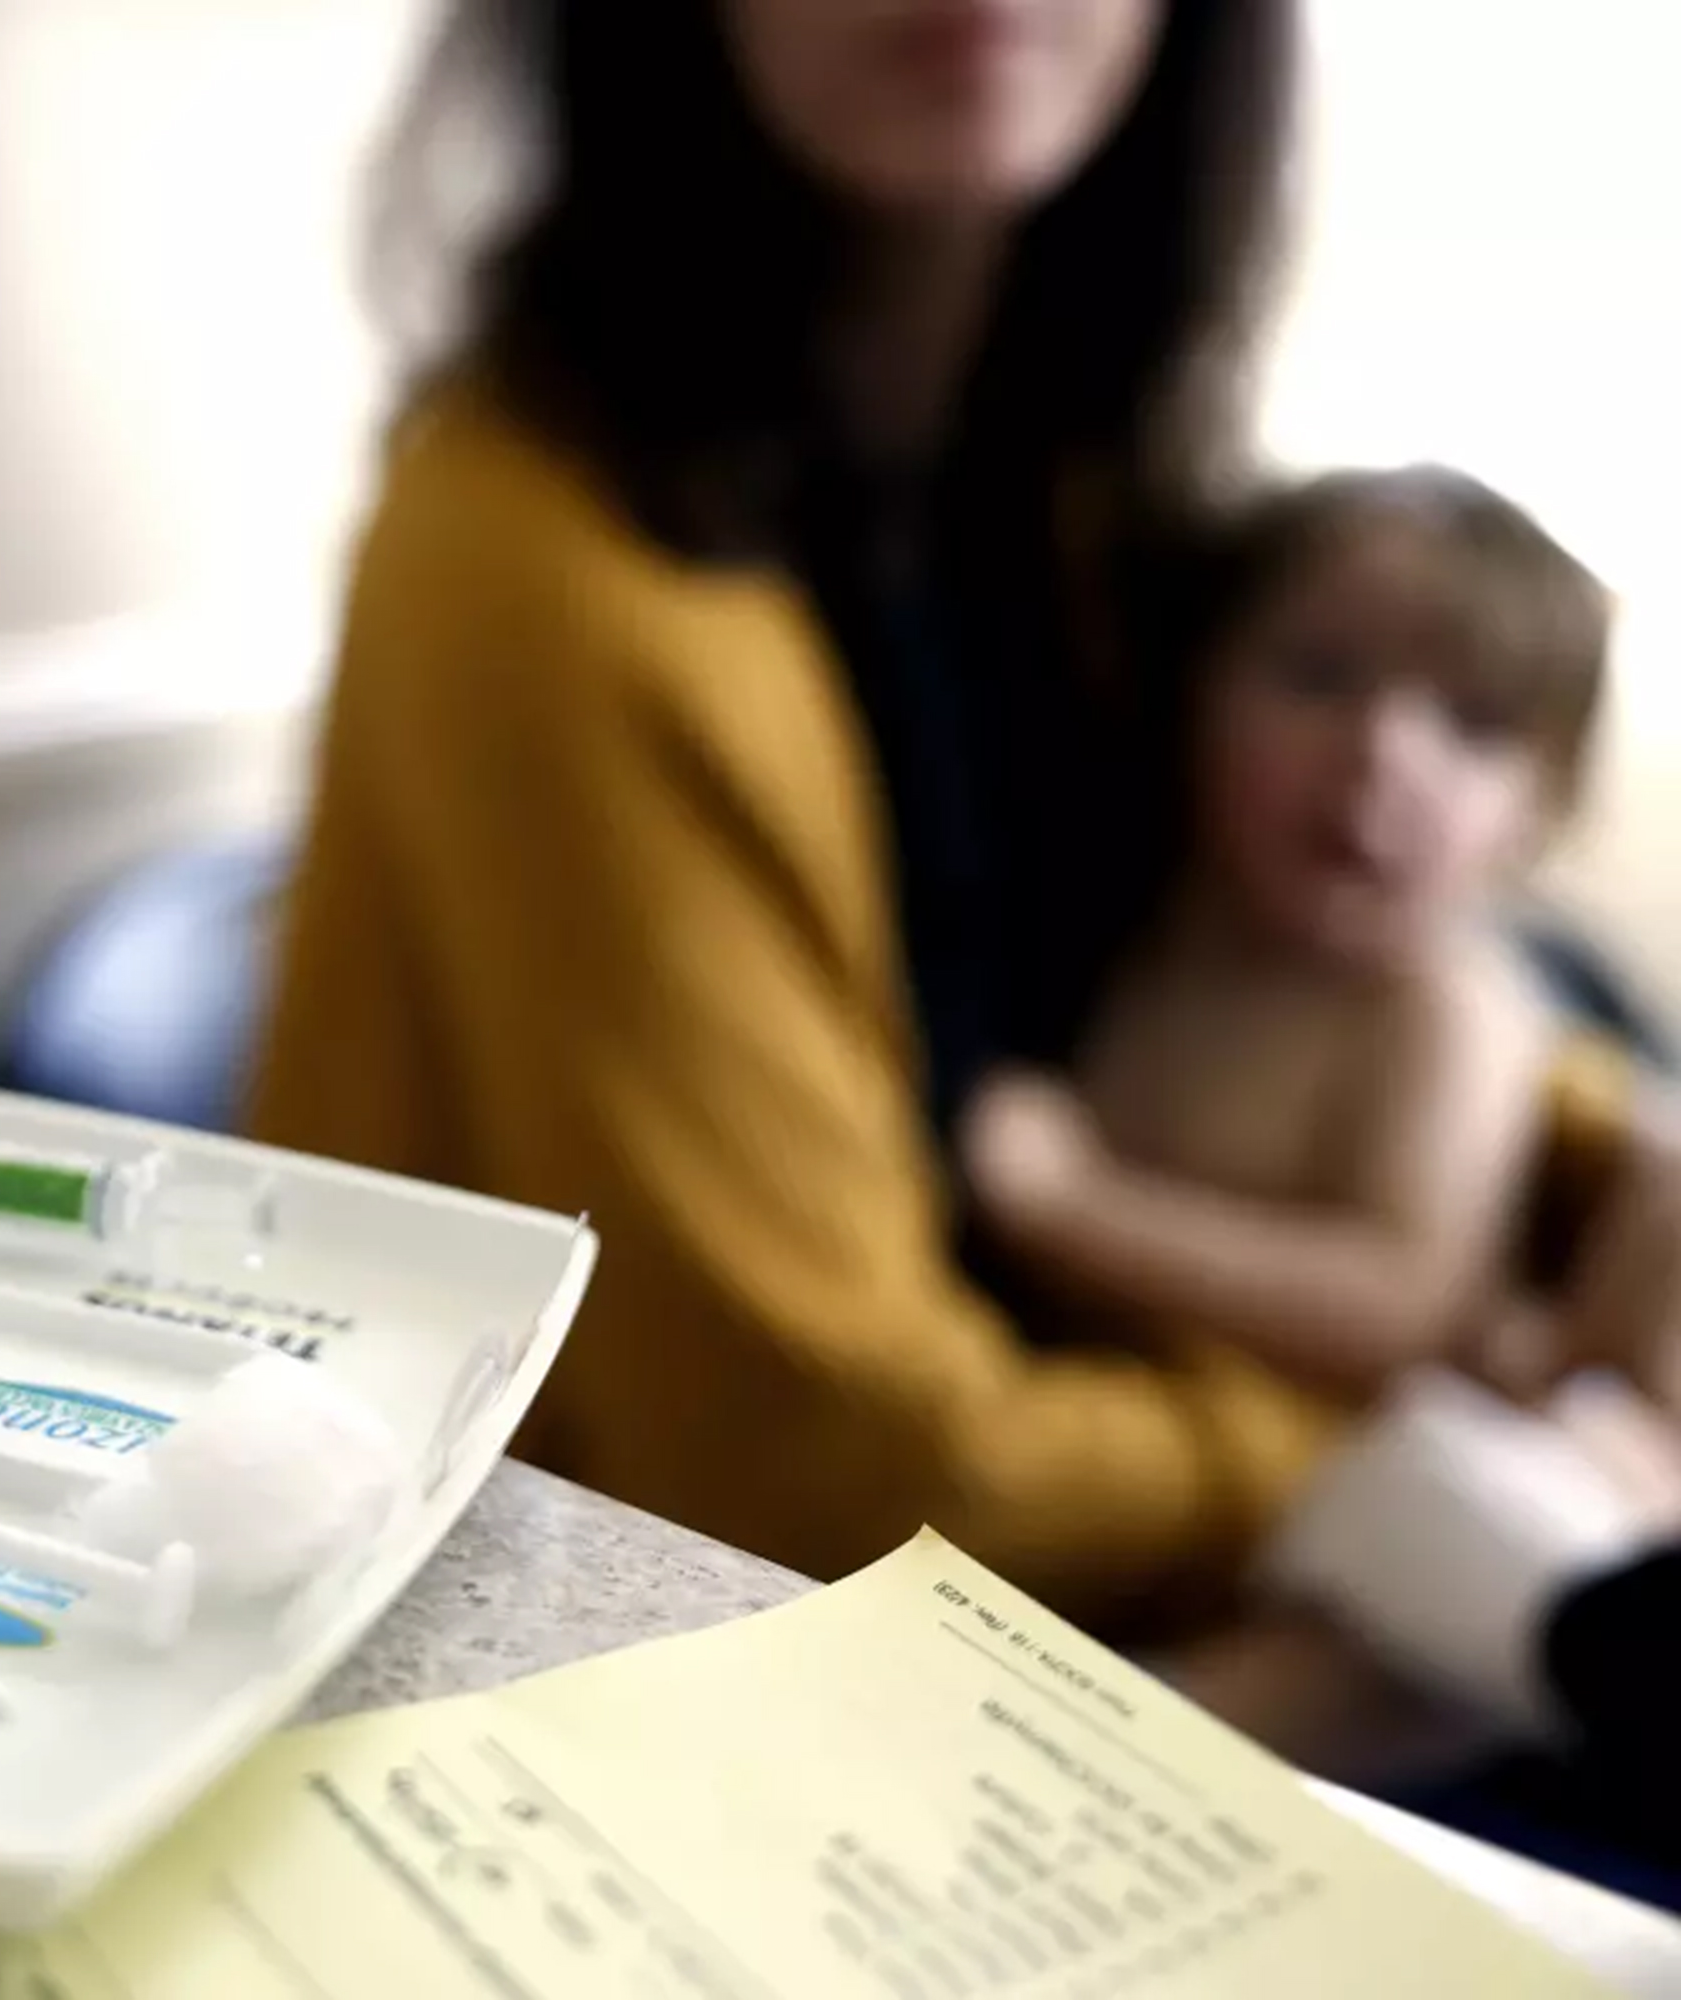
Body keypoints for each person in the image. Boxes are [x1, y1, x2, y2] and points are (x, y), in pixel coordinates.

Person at [247, 0, 1651, 1635]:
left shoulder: (1076, 477)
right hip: (613, 1652)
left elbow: (1271, 954)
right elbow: (830, 1476)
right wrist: (1409, 1438)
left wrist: (1604, 1174)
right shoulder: (532, 565)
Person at [965, 469, 1659, 1407]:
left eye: (1476, 724)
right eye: (1320, 674)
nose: (1380, 751)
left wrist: (1075, 1210)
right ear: (1195, 688)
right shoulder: (1144, 921)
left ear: (1543, 809)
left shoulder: (1442, 1009)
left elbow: (1401, 1304)